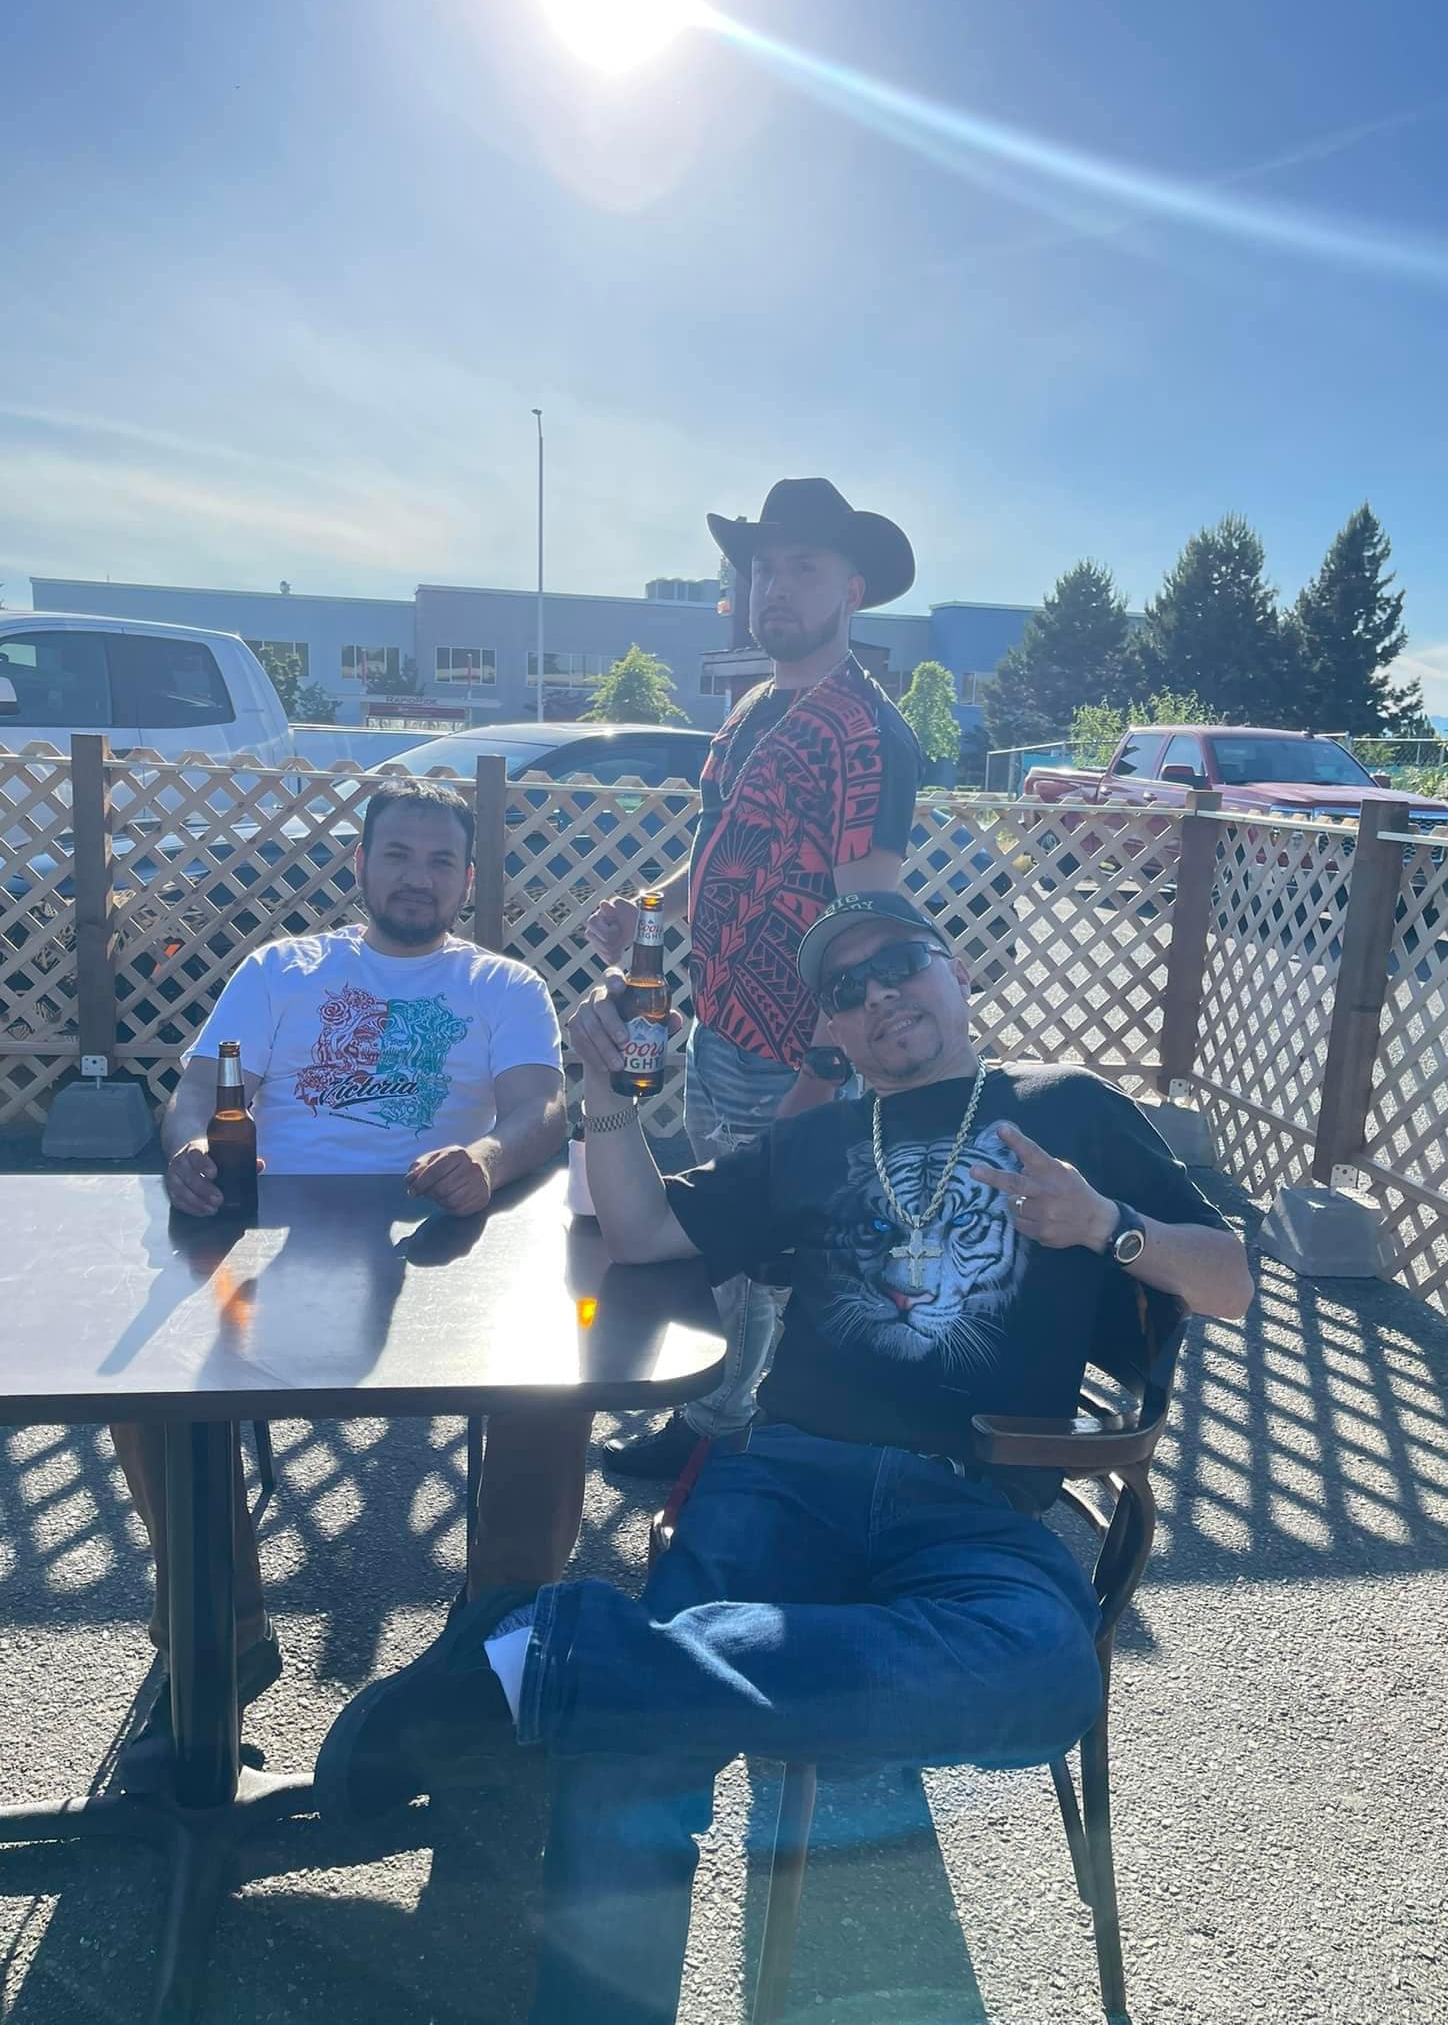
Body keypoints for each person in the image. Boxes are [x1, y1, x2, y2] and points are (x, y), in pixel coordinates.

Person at [314, 889, 1253, 2025]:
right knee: (631, 1755)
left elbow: (1230, 1280)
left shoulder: (1068, 1105)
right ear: (835, 1030)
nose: (879, 996)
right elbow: (644, 1232)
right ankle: (578, 1688)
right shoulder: (819, 1139)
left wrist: (1109, 1224)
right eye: (847, 991)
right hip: (786, 1476)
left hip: (974, 1499)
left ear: (954, 970)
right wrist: (602, 1090)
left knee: (1044, 1672)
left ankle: (543, 1650)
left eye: (900, 963)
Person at [111, 776, 572, 1781]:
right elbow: (198, 1091)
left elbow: (541, 1107)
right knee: (144, 1392)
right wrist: (188, 1147)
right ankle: (219, 1637)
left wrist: (487, 1158)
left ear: (468, 880)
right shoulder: (280, 968)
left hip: (444, 1247)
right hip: (271, 1241)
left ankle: (494, 1641)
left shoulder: (505, 985)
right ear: (358, 864)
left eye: (441, 861)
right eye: (398, 854)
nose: (418, 877)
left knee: (555, 1384)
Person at [587, 477, 924, 1480]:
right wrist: (652, 912)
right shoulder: (748, 713)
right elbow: (724, 852)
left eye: (802, 567)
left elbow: (865, 923)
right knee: (735, 1253)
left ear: (851, 590)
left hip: (797, 1056)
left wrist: (823, 1071)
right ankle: (725, 1422)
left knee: (787, 1257)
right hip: (720, 1032)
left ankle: (747, 1444)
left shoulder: (867, 734)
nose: (775, 587)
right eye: (763, 568)